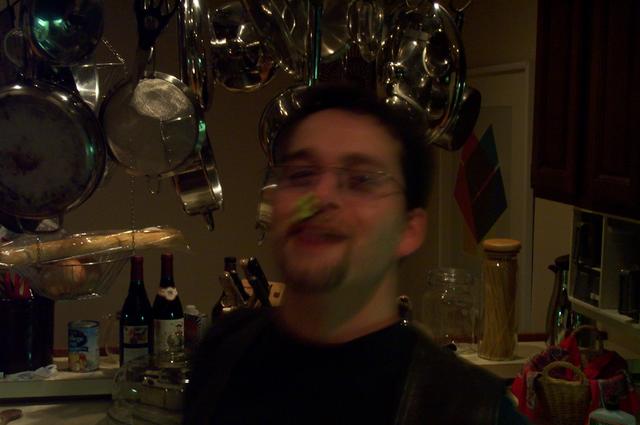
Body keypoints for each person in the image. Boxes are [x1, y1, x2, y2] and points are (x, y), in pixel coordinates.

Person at [183, 84, 529, 424]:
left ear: (409, 230)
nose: (320, 197)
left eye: (362, 180)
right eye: (301, 175)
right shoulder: (223, 351)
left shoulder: (470, 410)